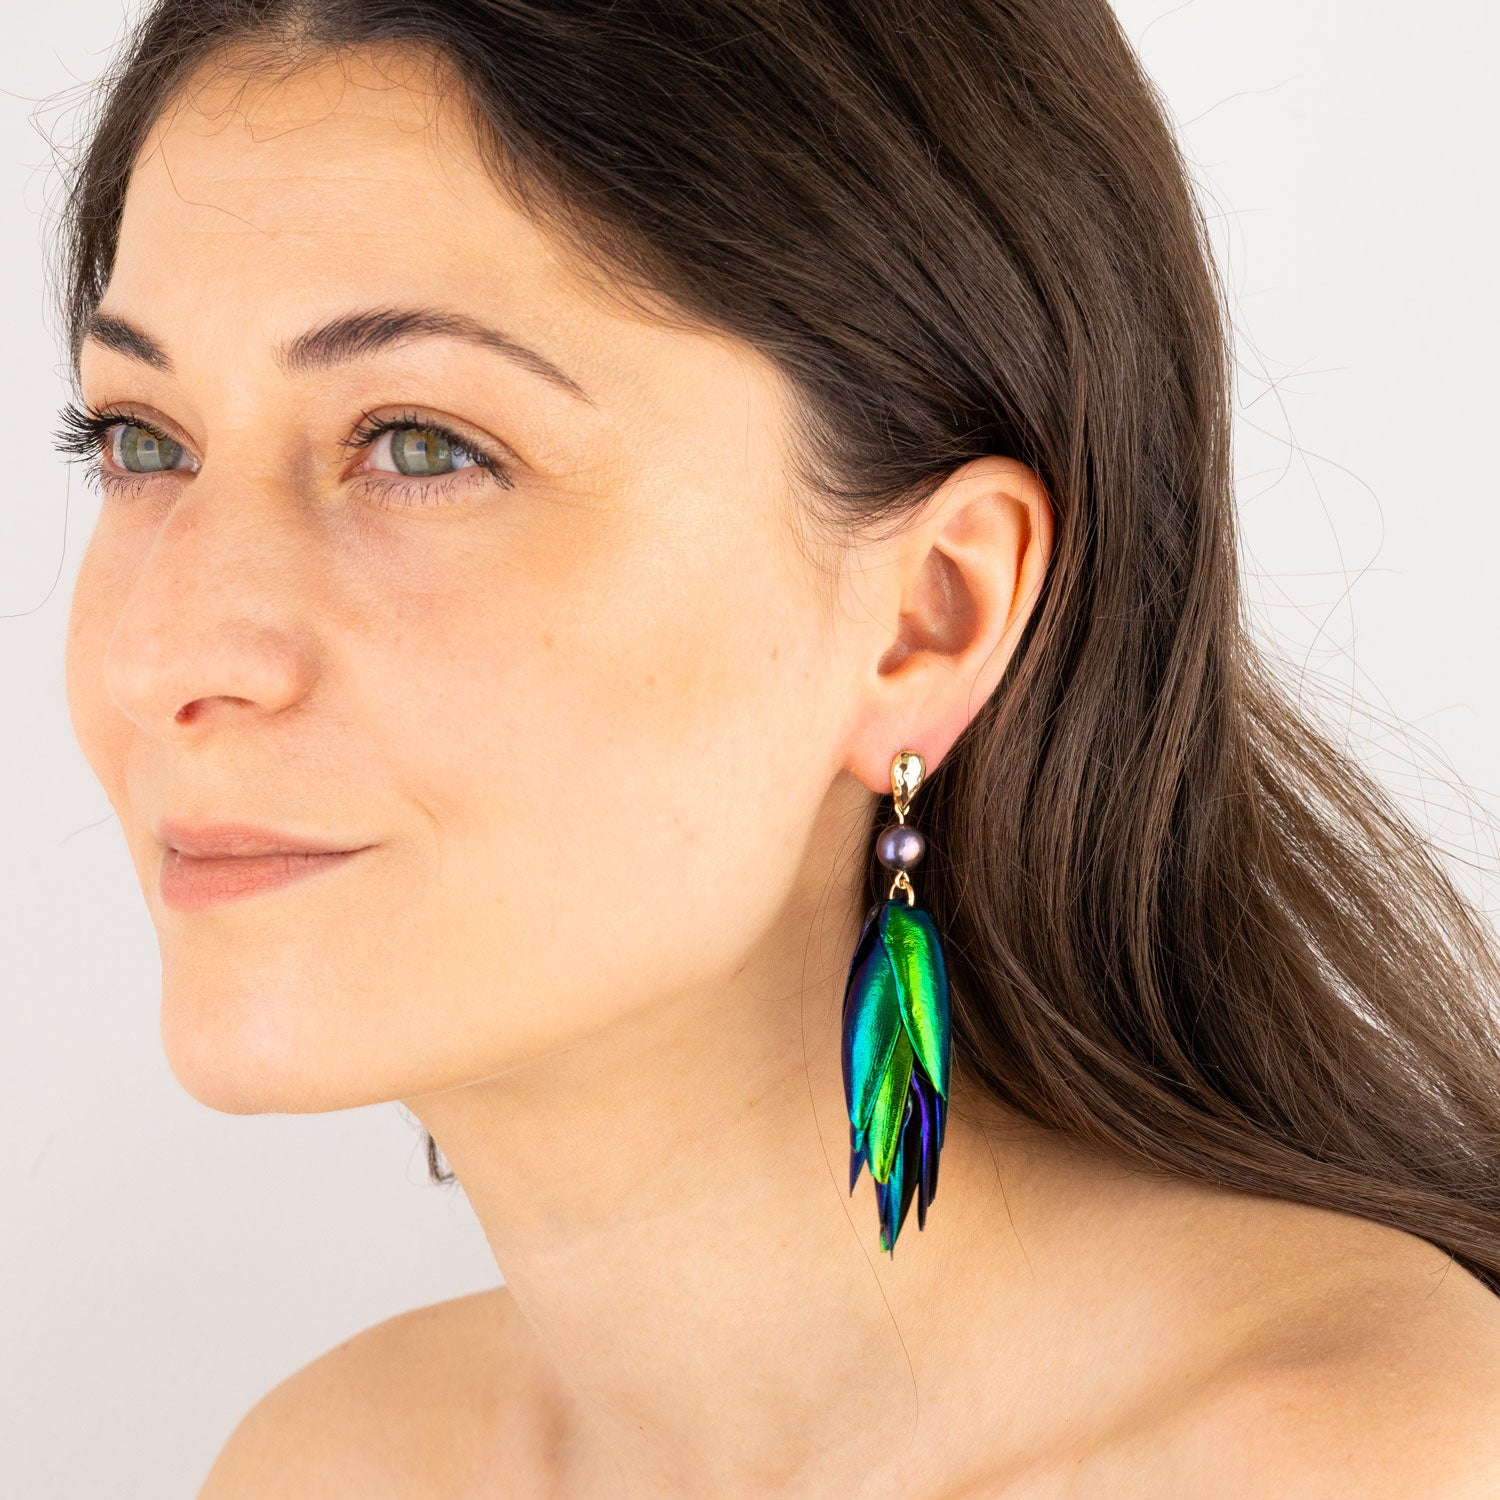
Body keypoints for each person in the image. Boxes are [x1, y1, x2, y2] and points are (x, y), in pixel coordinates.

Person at [54, 1, 1500, 1494]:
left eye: (423, 445)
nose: (164, 654)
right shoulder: (325, 1469)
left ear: (928, 616)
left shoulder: (1383, 1466)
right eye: (142, 441)